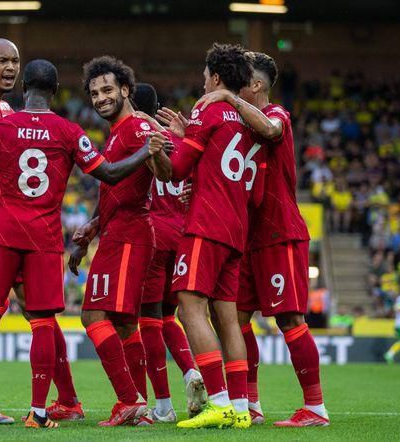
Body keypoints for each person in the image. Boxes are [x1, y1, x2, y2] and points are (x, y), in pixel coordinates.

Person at [0, 59, 167, 429]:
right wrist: (147, 151)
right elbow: (110, 173)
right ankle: (39, 411)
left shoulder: (1, 127)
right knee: (43, 323)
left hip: (3, 231)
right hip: (44, 238)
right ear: (55, 90)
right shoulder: (69, 131)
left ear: (24, 87)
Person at [194, 51, 330, 427]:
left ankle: (315, 408)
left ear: (255, 85)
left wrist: (226, 97)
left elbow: (271, 133)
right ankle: (249, 403)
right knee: (235, 319)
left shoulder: (275, 115)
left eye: (242, 81)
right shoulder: (235, 125)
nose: (235, 84)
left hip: (278, 233)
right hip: (244, 239)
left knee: (289, 318)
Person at [150, 43, 259, 429]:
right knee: (227, 317)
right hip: (235, 227)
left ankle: (218, 401)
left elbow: (176, 170)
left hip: (205, 225)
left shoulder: (207, 106)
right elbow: (211, 159)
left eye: (204, 74)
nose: (202, 80)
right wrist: (186, 135)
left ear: (214, 76)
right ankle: (242, 408)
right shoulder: (245, 117)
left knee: (188, 306)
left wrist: (158, 150)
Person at [68, 55, 171, 427]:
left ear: (126, 90)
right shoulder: (118, 134)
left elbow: (164, 168)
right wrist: (93, 227)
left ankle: (129, 399)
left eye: (108, 89)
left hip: (131, 235)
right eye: (94, 93)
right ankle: (138, 407)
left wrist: (155, 148)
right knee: (126, 325)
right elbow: (117, 190)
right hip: (117, 233)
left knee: (93, 315)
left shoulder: (137, 126)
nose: (100, 98)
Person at [131, 83, 206, 422]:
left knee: (147, 320)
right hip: (183, 235)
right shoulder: (178, 140)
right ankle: (191, 371)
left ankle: (162, 406)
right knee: (167, 317)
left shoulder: (137, 136)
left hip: (153, 234)